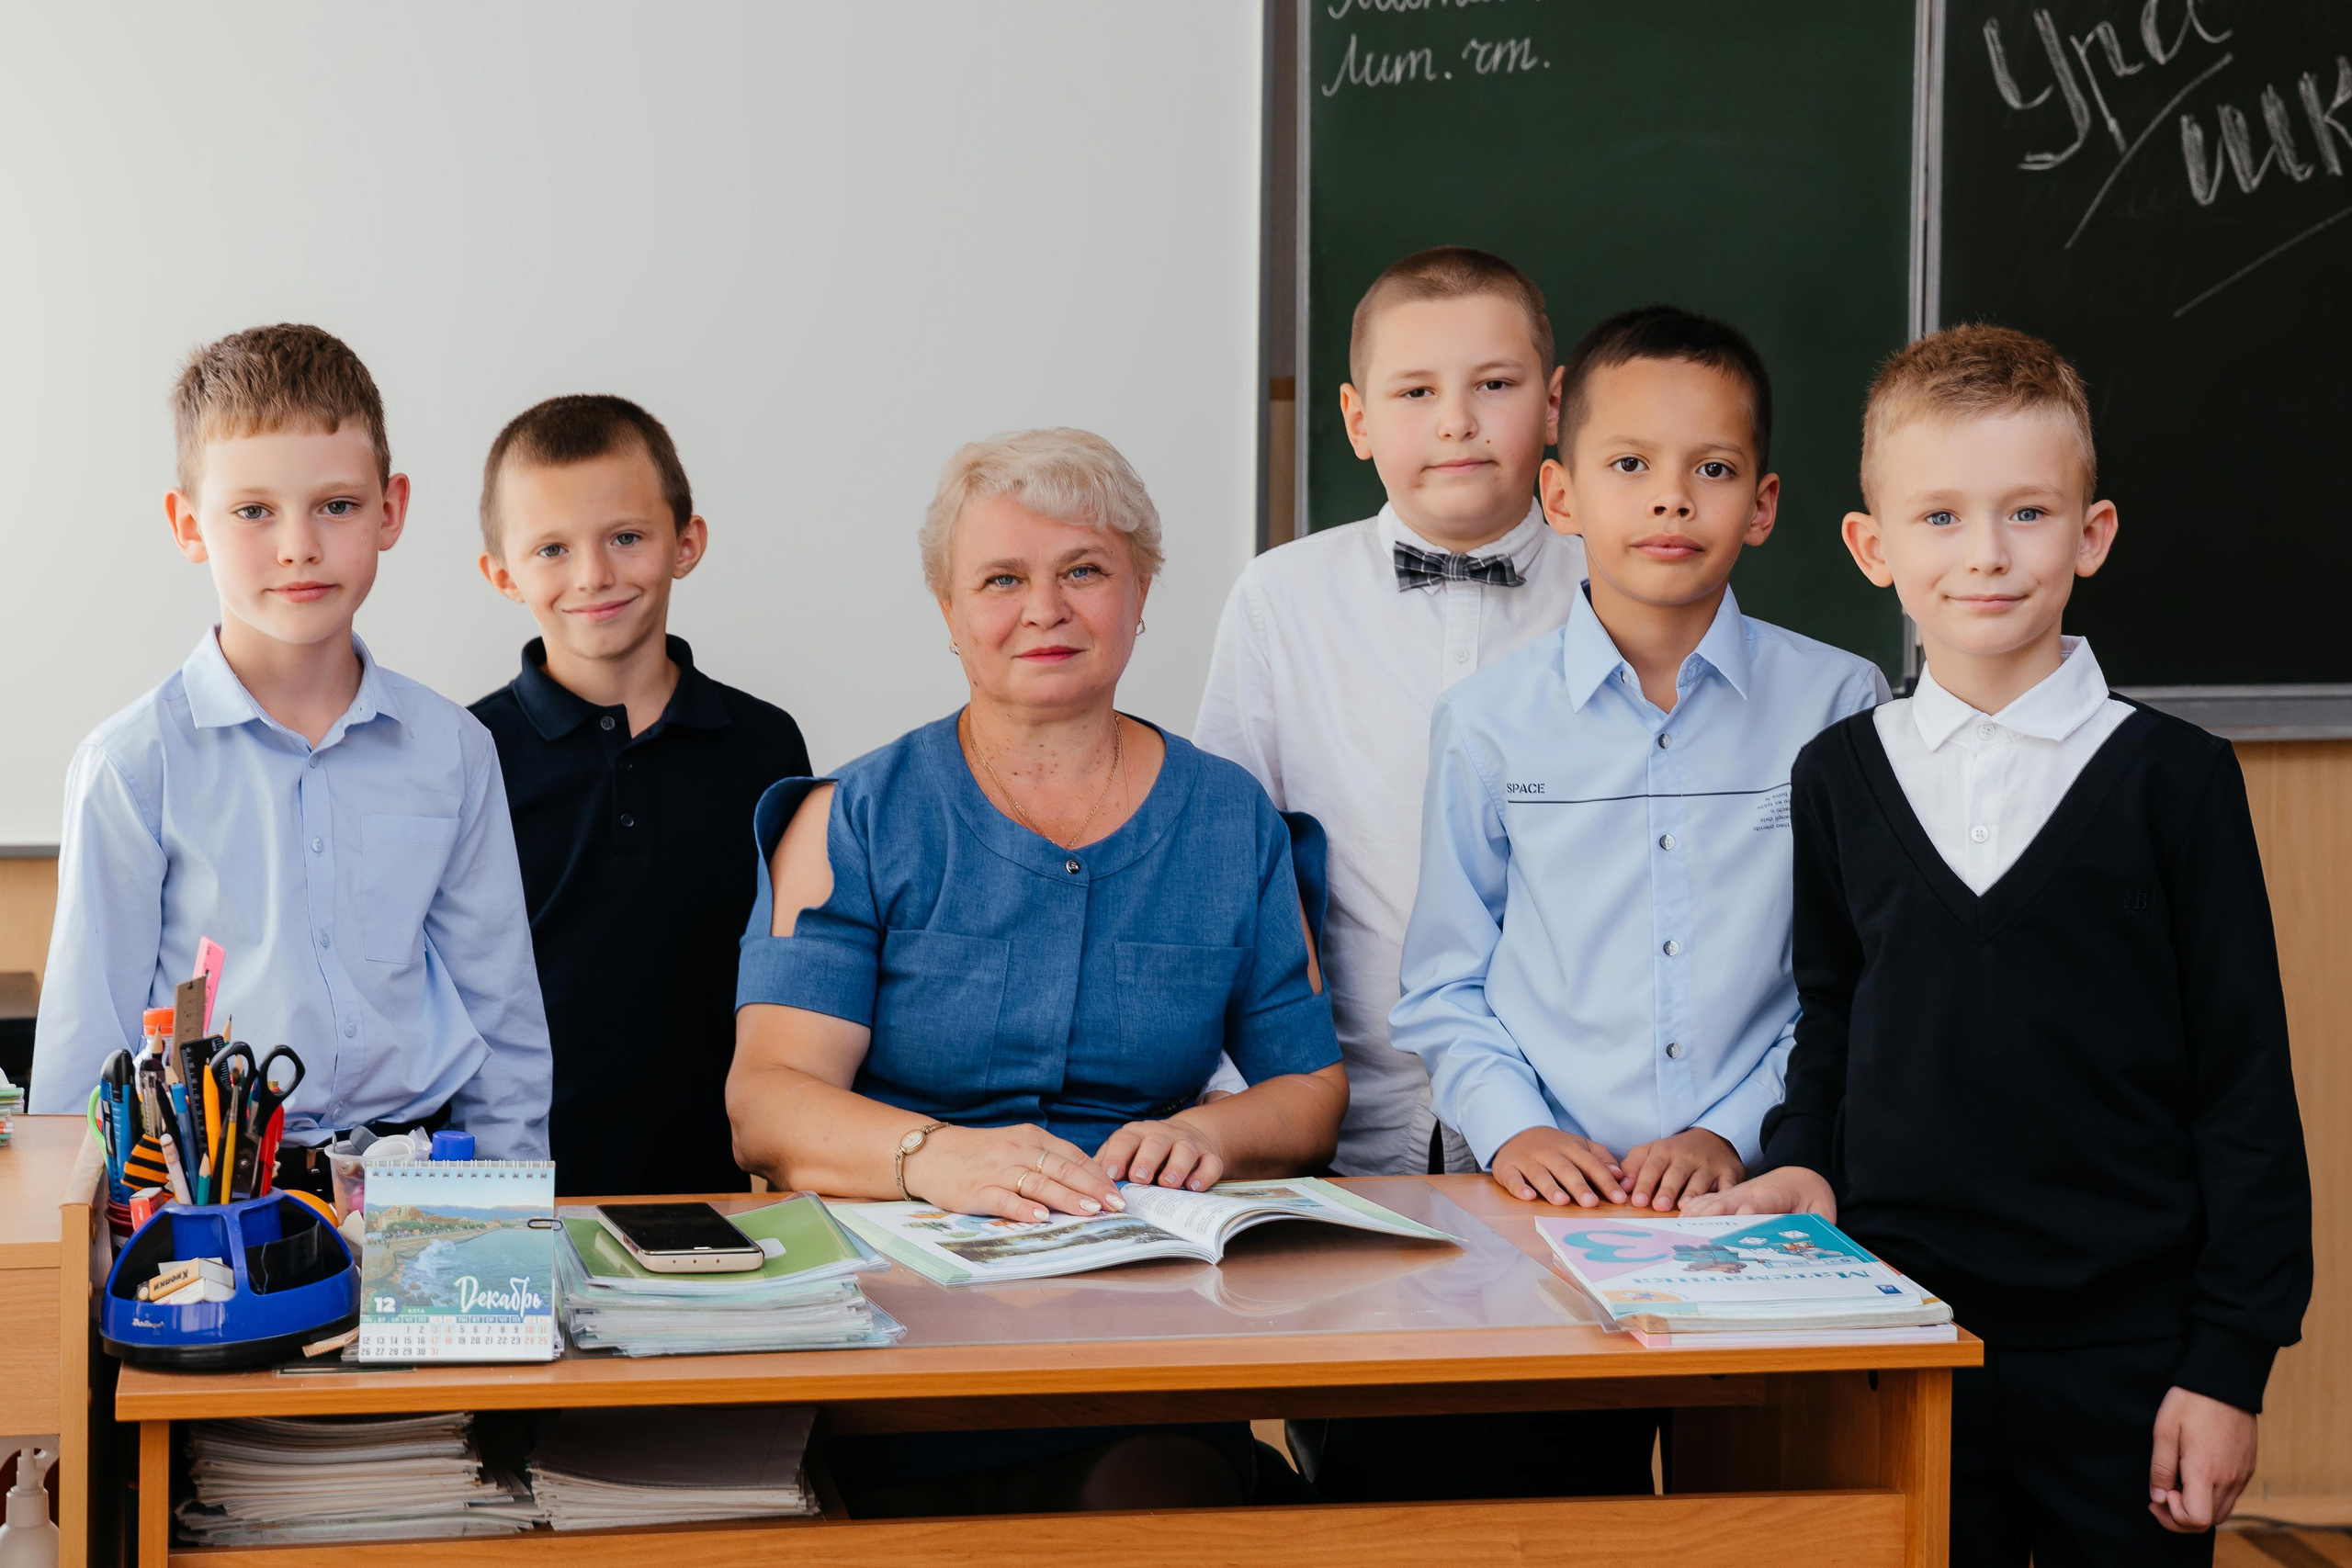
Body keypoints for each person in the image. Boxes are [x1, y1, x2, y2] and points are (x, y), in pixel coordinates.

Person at [1686, 325, 2312, 1566]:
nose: (1985, 553)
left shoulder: (2175, 780)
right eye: (1939, 517)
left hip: (2128, 1357)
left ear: (2092, 533)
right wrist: (1802, 1160)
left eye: (2027, 512)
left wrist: (2227, 1364)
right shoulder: (1839, 775)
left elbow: (2242, 1081)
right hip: (1899, 1332)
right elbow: (1832, 1013)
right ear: (1871, 546)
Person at [728, 426, 1346, 1515]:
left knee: (1160, 1500)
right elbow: (768, 1104)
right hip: (896, 1331)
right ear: (948, 610)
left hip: (1145, 1338)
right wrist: (933, 1156)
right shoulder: (852, 817)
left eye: (1085, 571)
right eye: (1002, 579)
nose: (1045, 609)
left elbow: (1308, 1090)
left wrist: (1215, 1135)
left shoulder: (1230, 818)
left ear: (1141, 593)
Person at [1387, 306, 1887, 1495]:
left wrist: (1733, 1128)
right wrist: (1516, 1130)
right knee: (1557, 1517)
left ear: (1762, 504)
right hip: (1538, 1220)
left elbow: (1854, 979)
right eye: (1628, 465)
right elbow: (1444, 980)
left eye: (1712, 469)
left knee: (1767, 1521)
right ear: (1560, 494)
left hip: (1758, 1204)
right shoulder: (1487, 722)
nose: (1670, 498)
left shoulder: (1839, 703)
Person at [31, 324, 550, 1168]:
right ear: (188, 524)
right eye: (253, 511)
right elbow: (84, 1055)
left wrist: (507, 1210)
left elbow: (504, 1023)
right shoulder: (131, 766)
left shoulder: (454, 749)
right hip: (210, 1195)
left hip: (420, 1189)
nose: (299, 544)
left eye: (337, 505)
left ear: (391, 510)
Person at [1195, 245, 1586, 1181]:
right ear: (1357, 419)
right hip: (1339, 1121)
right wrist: (1229, 1097)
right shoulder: (1280, 599)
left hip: (1577, 1126)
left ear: (1554, 405)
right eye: (1415, 392)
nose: (1456, 421)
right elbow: (1225, 862)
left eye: (1494, 384)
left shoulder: (1623, 595)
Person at [470, 395, 808, 1198]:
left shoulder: (766, 745)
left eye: (625, 537)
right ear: (503, 574)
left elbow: (797, 980)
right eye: (552, 548)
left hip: (723, 1196)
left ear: (686, 543)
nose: (593, 575)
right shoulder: (464, 755)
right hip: (513, 1195)